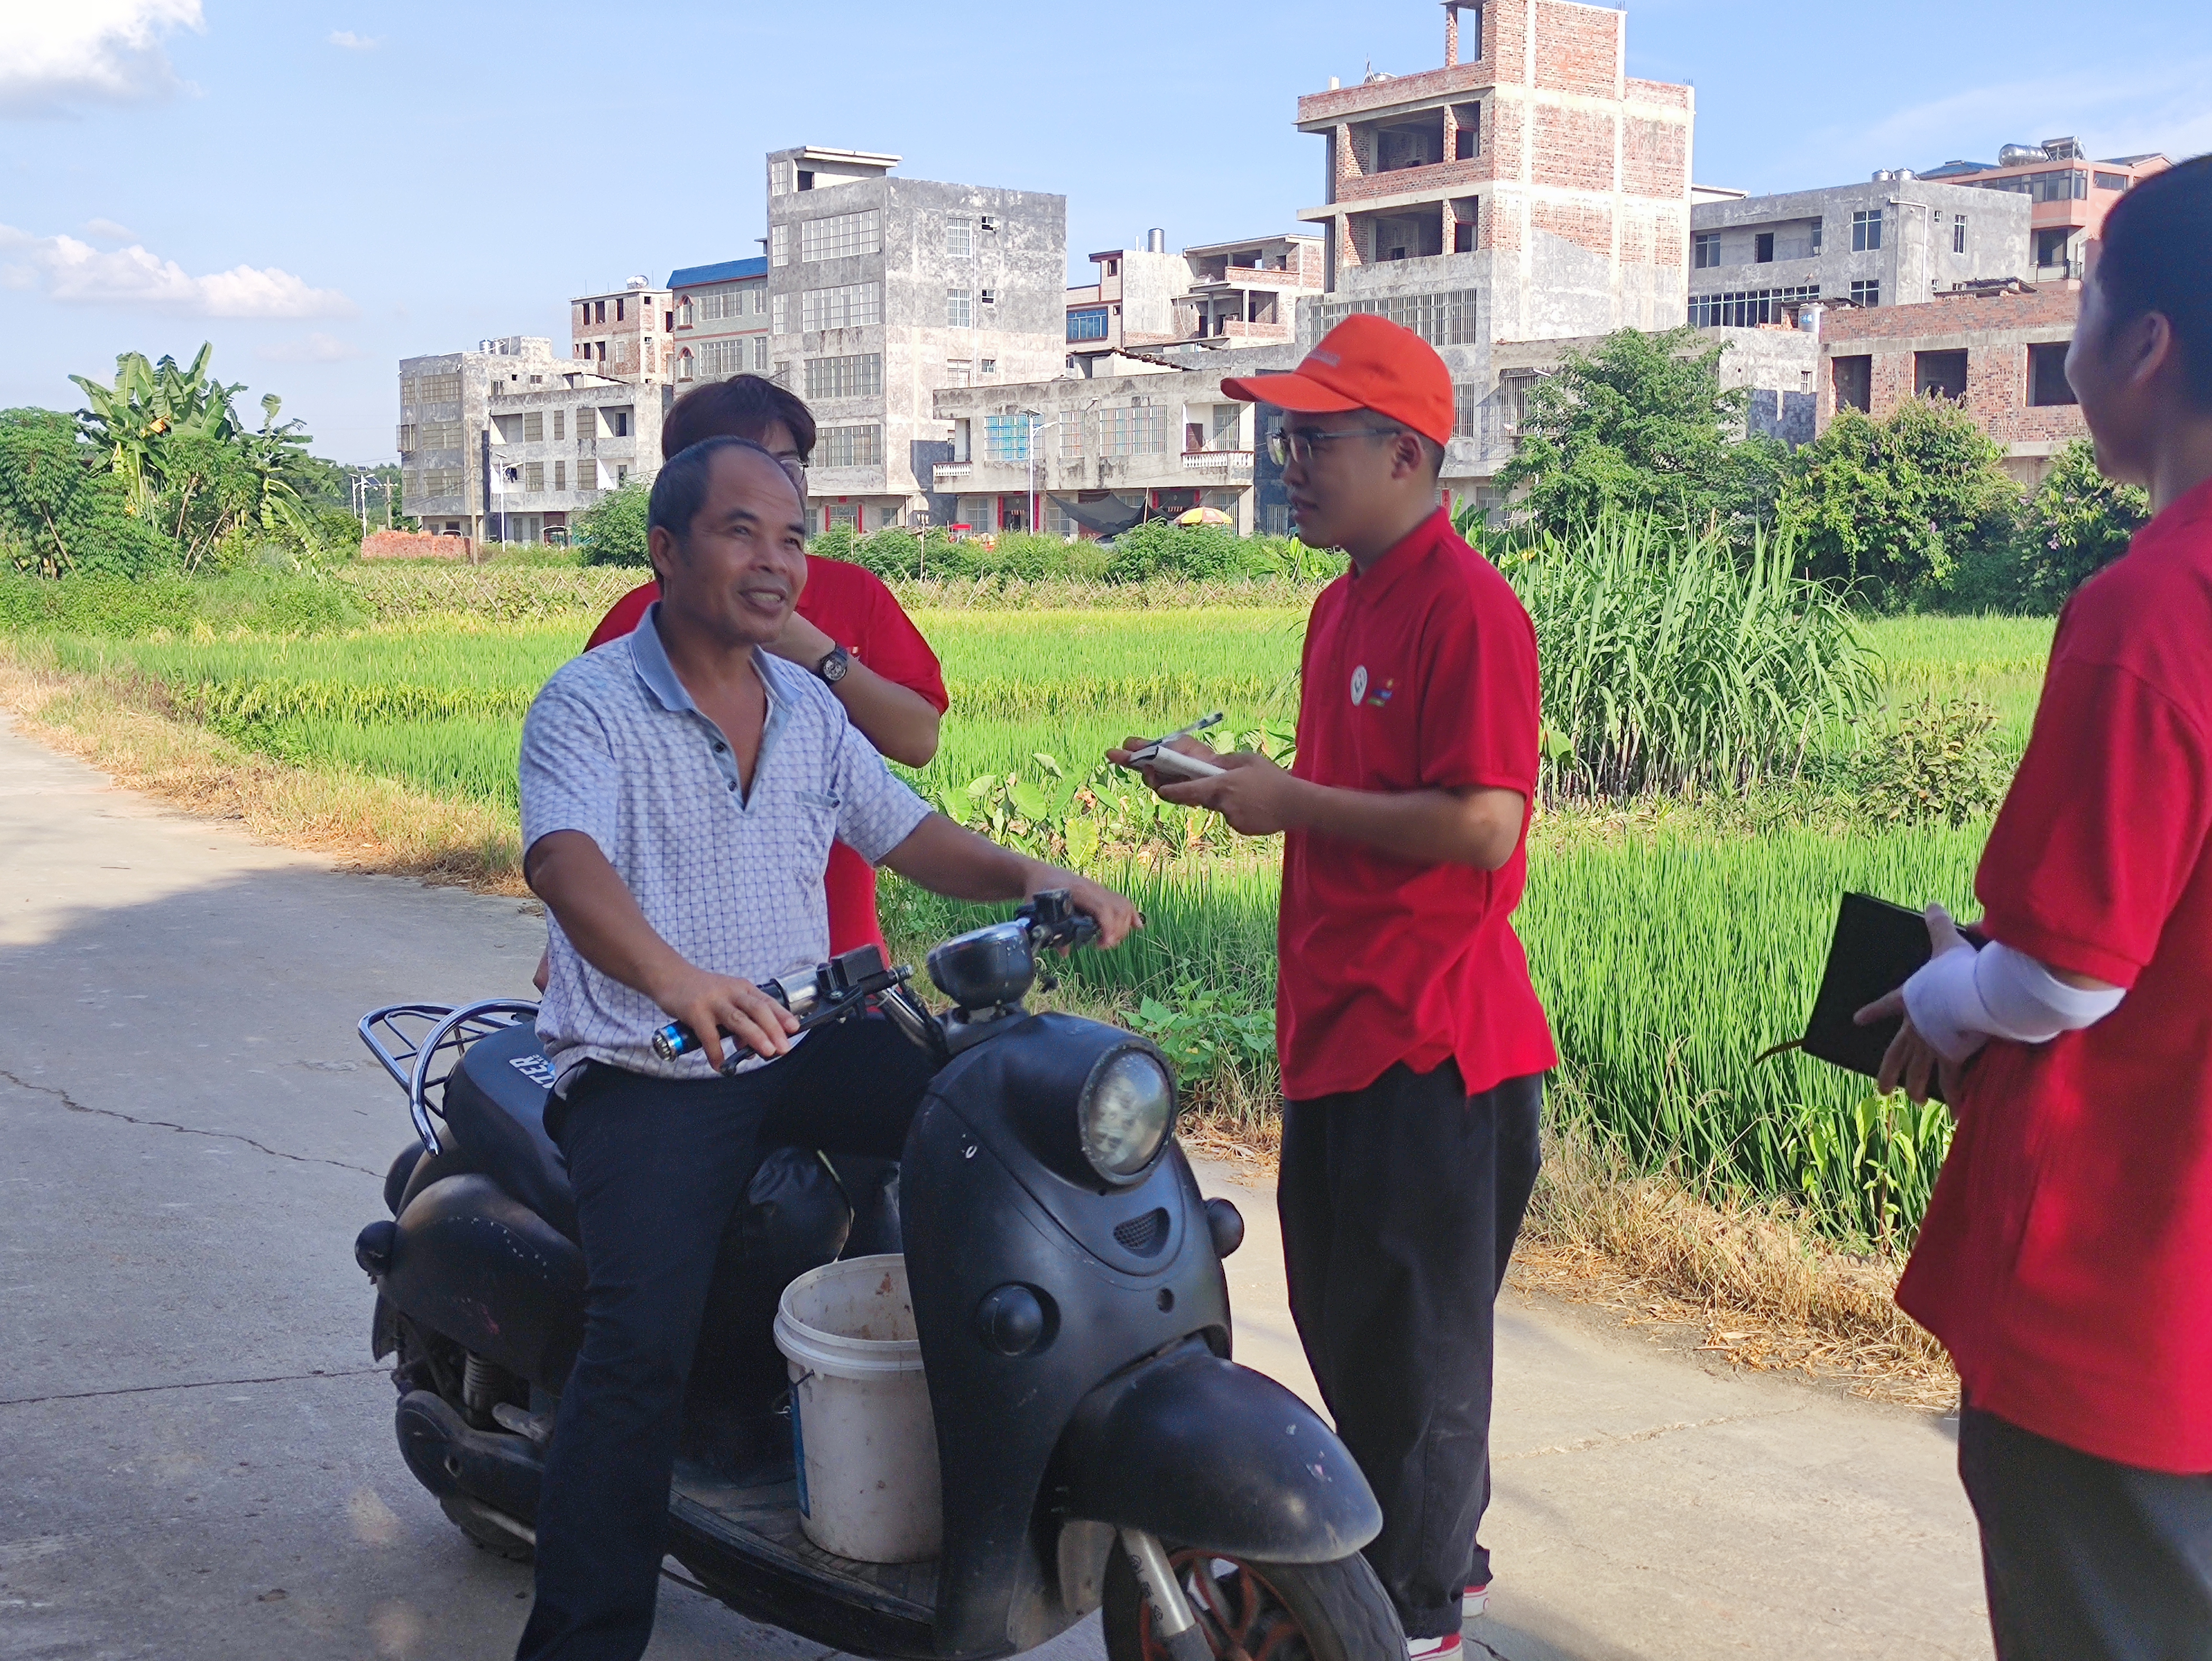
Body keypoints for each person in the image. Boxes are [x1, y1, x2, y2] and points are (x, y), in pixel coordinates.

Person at [514, 434, 1137, 1661]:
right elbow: (563, 861)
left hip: (798, 1038)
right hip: (655, 1065)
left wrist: (1028, 872)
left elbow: (910, 834)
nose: (774, 561)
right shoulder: (585, 702)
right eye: (740, 531)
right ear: (664, 550)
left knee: (995, 1124)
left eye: (792, 537)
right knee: (638, 1355)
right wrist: (676, 981)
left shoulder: (806, 706)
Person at [1112, 314, 1556, 1660]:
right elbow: (1355, 800)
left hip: (1436, 1045)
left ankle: (1419, 1627)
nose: (1286, 462)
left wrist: (1284, 798)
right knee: (1358, 1345)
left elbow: (1485, 824)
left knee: (1421, 1375)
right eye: (1284, 437)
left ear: (1413, 456)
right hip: (1340, 1035)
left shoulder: (1469, 609)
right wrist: (1232, 778)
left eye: (1316, 440)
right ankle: (1400, 1594)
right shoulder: (1340, 606)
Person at [1855, 154, 2212, 1660]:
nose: (2068, 333)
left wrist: (1942, 991)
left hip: (2124, 1309)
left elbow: (2064, 970)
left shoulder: (2150, 610)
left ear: (2143, 346)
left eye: (2076, 297)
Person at [585, 374, 947, 959]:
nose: (775, 481)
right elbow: (586, 812)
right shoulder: (635, 624)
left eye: (788, 462)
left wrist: (818, 655)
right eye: (748, 461)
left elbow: (918, 740)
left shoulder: (853, 594)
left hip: (836, 951)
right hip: (675, 963)